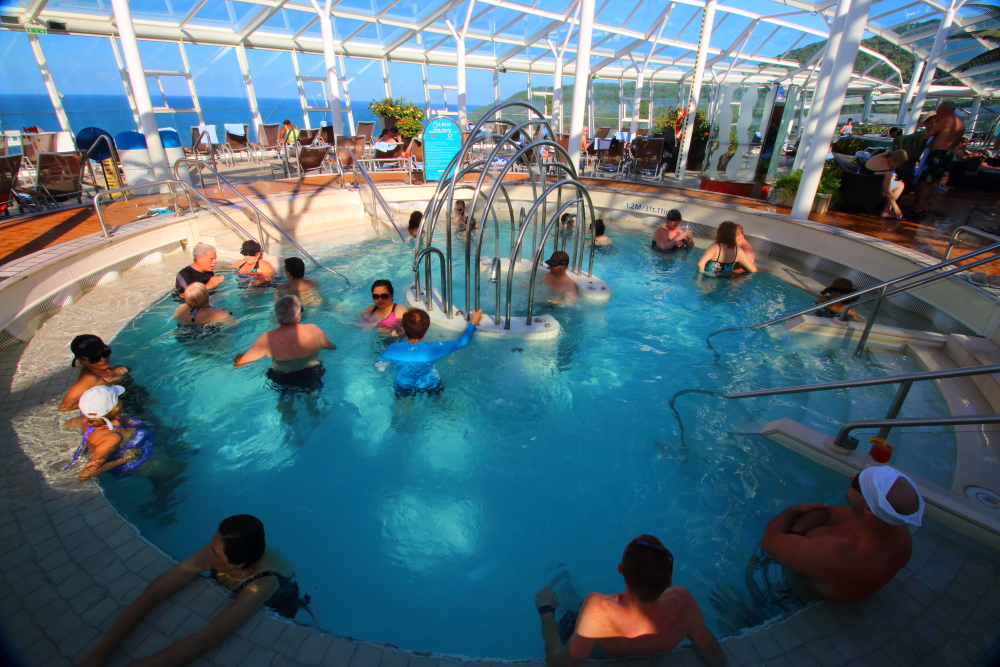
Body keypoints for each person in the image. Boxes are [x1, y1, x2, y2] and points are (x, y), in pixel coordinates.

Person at [78, 515, 310, 667]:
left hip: (280, 600)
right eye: (211, 544)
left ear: (237, 566)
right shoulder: (224, 548)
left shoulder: (262, 583)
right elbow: (155, 593)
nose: (207, 555)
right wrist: (102, 650)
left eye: (215, 554)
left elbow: (206, 640)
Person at [533, 535, 725, 667]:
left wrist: (546, 612)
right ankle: (570, 599)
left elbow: (560, 664)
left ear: (620, 569)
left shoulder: (597, 609)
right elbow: (712, 653)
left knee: (569, 616)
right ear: (669, 583)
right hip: (639, 638)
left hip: (602, 653)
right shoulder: (683, 603)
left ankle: (562, 600)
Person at [758, 466, 923, 603]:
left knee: (757, 564)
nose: (851, 478)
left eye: (857, 483)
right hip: (823, 563)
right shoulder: (892, 526)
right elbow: (825, 512)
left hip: (800, 589)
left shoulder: (839, 552)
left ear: (869, 508)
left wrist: (792, 511)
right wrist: (796, 532)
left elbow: (768, 541)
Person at [234, 295, 336, 393]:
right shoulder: (313, 329)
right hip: (312, 372)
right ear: (298, 316)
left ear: (277, 316)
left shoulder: (267, 339)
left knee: (285, 403)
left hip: (283, 376)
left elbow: (239, 363)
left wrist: (239, 356)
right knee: (313, 398)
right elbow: (330, 348)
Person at [380, 308, 482, 398]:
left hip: (403, 385)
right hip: (429, 384)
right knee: (441, 409)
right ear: (426, 328)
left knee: (401, 413)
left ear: (404, 328)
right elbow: (462, 342)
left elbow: (380, 366)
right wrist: (473, 323)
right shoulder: (434, 349)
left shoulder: (392, 349)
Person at [62, 385, 153, 481]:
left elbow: (68, 424)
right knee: (165, 466)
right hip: (128, 463)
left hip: (129, 441)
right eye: (118, 398)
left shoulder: (87, 420)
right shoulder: (112, 437)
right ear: (115, 407)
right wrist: (127, 458)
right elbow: (86, 473)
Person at [909, 100, 965, 218]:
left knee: (925, 182)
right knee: (930, 182)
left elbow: (931, 132)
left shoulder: (947, 118)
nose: (938, 113)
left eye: (939, 111)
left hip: (938, 154)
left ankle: (919, 209)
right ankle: (921, 207)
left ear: (945, 110)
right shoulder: (960, 121)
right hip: (948, 153)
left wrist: (915, 139)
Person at [59, 334, 130, 412]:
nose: (103, 359)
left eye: (105, 353)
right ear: (81, 360)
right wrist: (96, 402)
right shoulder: (89, 379)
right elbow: (64, 407)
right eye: (94, 359)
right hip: (128, 412)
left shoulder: (105, 369)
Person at [859, 149, 908, 220]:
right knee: (900, 185)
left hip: (860, 181)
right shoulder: (885, 171)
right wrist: (896, 209)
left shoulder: (881, 155)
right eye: (899, 164)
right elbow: (887, 192)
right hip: (870, 188)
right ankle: (886, 211)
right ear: (897, 161)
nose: (899, 166)